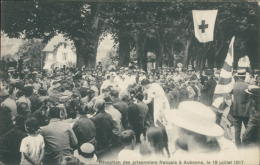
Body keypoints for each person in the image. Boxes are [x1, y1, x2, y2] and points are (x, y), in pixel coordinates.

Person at [231, 69, 249, 148]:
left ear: (238, 77)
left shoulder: (233, 85)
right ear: (244, 76)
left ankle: (238, 147)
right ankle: (247, 145)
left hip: (235, 111)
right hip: (245, 112)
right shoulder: (247, 86)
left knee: (237, 130)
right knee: (248, 129)